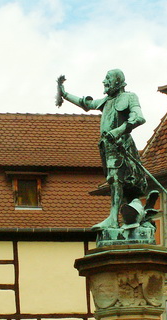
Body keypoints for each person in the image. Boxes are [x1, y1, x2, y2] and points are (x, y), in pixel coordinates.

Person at [59, 69, 148, 230]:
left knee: (116, 179)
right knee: (115, 180)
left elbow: (138, 117)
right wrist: (65, 94)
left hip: (121, 145)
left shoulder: (129, 97)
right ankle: (132, 214)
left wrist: (119, 131)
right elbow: (86, 104)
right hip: (107, 147)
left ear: (117, 81)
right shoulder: (107, 101)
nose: (104, 81)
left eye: (108, 78)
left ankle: (113, 219)